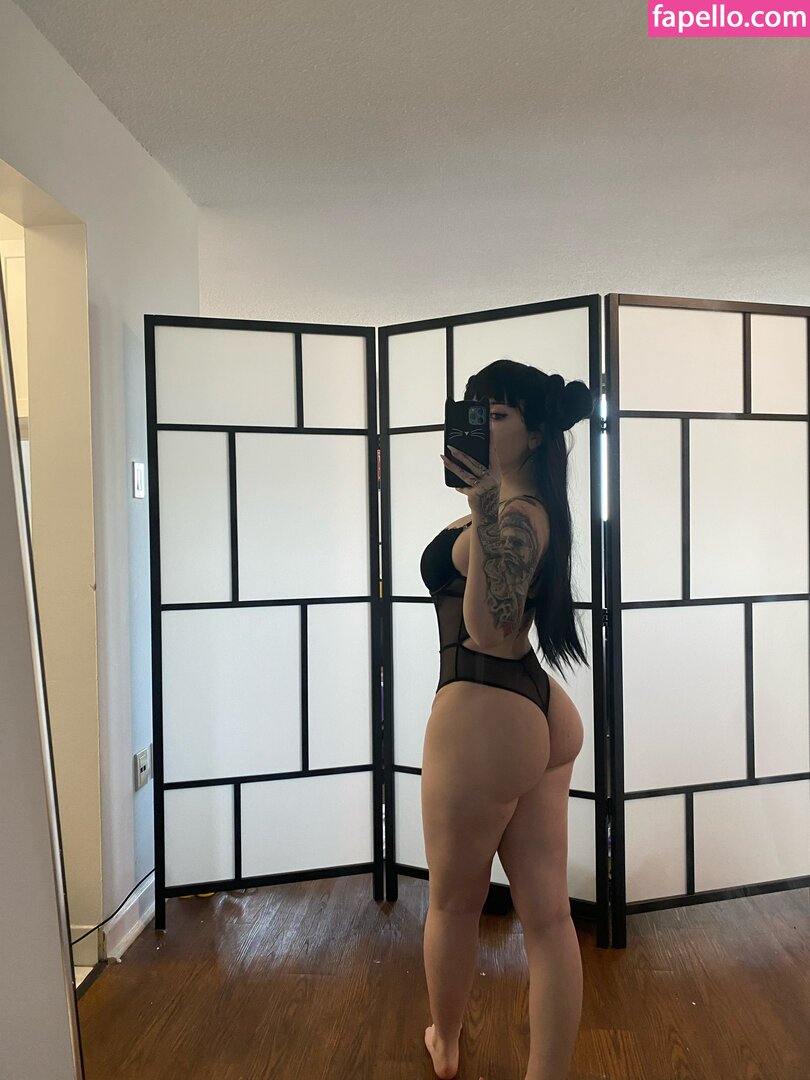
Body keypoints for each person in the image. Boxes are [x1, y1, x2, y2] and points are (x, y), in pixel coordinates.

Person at [418, 360, 595, 1080]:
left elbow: (490, 630)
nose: (482, 426)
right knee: (548, 918)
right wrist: (481, 498)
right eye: (475, 412)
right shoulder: (522, 505)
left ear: (536, 433)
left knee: (454, 907)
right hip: (533, 709)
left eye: (499, 415)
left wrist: (485, 499)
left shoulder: (517, 513)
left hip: (488, 711)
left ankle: (446, 1043)